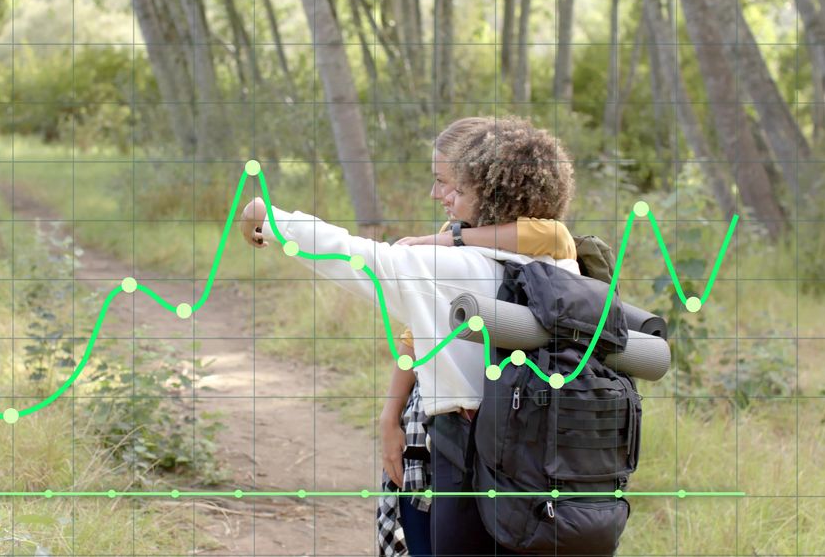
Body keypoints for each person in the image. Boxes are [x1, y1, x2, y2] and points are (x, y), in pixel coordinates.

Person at [238, 116, 578, 554]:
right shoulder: (564, 266)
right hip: (552, 460)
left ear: (489, 189)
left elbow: (350, 255)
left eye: (451, 185)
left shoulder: (449, 267)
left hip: (472, 457)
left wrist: (268, 217)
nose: (438, 194)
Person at [375, 117, 577, 557]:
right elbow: (413, 337)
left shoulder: (541, 242)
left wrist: (446, 240)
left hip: (505, 433)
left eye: (445, 181)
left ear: (483, 181)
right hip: (431, 428)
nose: (437, 194)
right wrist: (389, 418)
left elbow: (553, 234)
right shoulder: (453, 243)